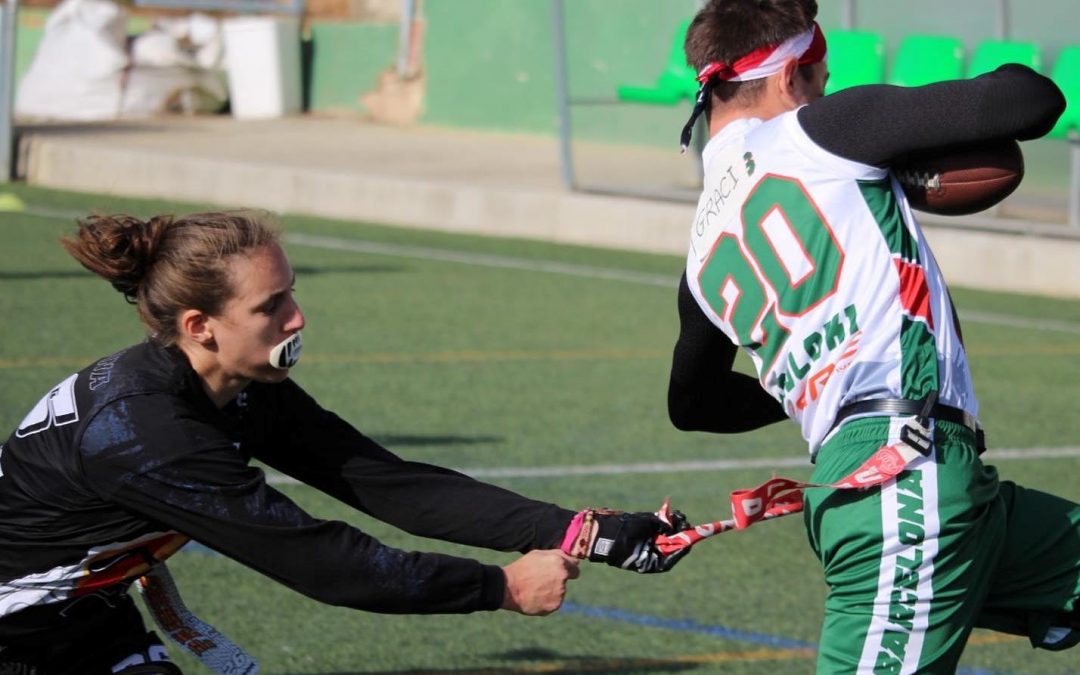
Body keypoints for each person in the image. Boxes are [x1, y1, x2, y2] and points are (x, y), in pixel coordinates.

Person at [0, 211, 689, 675]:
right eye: (270, 307)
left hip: (84, 614)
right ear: (200, 324)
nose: (297, 317)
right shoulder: (150, 434)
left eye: (291, 292)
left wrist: (585, 531)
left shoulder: (236, 384)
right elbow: (326, 562)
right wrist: (501, 587)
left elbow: (389, 484)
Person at [665, 1, 1073, 672]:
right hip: (904, 478)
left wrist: (810, 379)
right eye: (821, 74)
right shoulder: (820, 131)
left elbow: (694, 404)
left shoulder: (701, 249)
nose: (826, 88)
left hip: (871, 479)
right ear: (792, 72)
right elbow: (1029, 99)